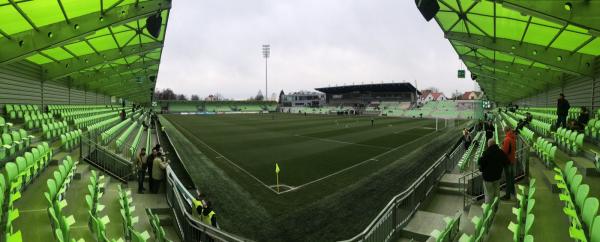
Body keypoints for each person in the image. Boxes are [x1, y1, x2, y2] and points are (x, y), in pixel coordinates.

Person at [478, 139, 507, 203]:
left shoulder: (486, 153)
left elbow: (481, 163)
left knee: (488, 193)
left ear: (489, 145)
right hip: (497, 176)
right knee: (497, 192)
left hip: (488, 178)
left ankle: (488, 208)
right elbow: (506, 161)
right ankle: (496, 206)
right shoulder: (500, 152)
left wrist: (481, 169)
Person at [501, 126, 517, 200]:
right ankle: (512, 192)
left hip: (508, 162)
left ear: (505, 131)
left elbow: (505, 152)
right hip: (512, 160)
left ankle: (508, 195)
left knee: (508, 179)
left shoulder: (507, 139)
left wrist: (502, 147)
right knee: (511, 178)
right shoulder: (513, 138)